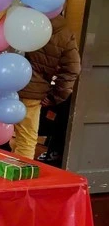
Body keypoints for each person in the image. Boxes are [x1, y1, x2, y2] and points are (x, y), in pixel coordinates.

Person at [11, 15, 81, 160]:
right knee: (26, 138)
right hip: (32, 91)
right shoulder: (64, 32)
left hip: (5, 82)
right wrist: (55, 97)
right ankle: (18, 170)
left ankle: (9, 168)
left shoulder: (23, 18)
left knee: (7, 134)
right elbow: (72, 69)